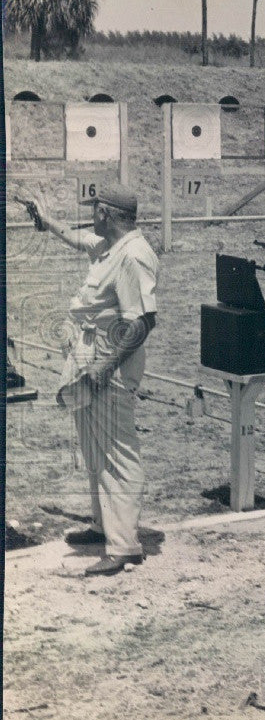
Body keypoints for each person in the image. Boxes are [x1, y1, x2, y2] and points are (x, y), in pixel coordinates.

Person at [27, 184, 159, 576]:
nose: (91, 217)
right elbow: (74, 237)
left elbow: (143, 321)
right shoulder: (109, 246)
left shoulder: (134, 255)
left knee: (118, 452)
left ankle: (124, 546)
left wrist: (105, 367)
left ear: (106, 212)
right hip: (88, 356)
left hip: (109, 363)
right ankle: (106, 528)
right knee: (94, 448)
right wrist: (44, 219)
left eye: (95, 210)